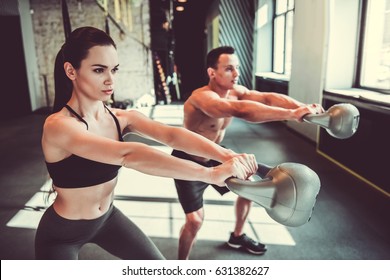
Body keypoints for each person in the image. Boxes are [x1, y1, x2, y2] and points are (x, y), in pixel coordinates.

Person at [35, 28, 257, 260]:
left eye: (114, 70)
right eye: (99, 70)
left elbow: (172, 135)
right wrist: (210, 174)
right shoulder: (59, 126)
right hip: (62, 234)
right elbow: (128, 154)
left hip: (107, 219)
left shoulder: (119, 118)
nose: (111, 80)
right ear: (71, 70)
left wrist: (226, 154)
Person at [172, 46, 324, 259]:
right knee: (195, 221)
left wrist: (303, 107)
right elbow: (239, 110)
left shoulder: (236, 91)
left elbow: (267, 98)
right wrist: (291, 114)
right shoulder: (202, 98)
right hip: (188, 160)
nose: (236, 74)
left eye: (237, 68)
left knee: (251, 187)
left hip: (216, 154)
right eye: (228, 69)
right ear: (212, 73)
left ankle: (237, 235)